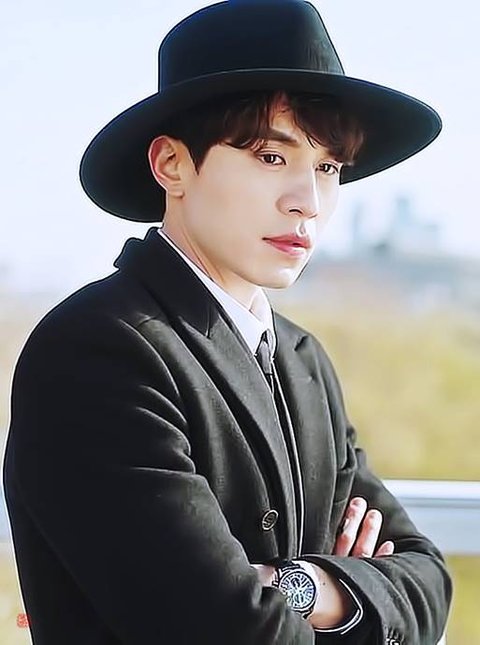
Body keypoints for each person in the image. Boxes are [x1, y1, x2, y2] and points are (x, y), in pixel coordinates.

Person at [3, 1, 451, 643]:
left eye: (328, 167)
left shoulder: (301, 359)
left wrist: (301, 584)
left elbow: (429, 583)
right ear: (171, 165)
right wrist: (350, 589)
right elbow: (219, 625)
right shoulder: (97, 349)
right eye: (271, 156)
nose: (308, 202)